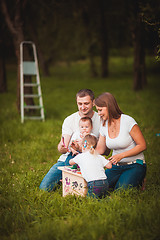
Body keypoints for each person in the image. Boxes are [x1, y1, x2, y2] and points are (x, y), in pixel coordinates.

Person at [39, 89, 101, 192]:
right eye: (79, 104)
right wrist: (63, 147)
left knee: (91, 189)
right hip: (69, 159)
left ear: (93, 102)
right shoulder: (70, 120)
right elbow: (63, 146)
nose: (83, 107)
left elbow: (103, 149)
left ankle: (69, 180)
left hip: (91, 159)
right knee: (44, 188)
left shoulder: (100, 119)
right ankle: (63, 179)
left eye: (86, 103)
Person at [95, 92, 147, 190]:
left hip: (135, 164)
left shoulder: (127, 121)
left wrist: (121, 155)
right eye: (97, 110)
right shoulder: (103, 124)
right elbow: (100, 150)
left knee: (120, 191)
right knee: (100, 188)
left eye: (100, 110)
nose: (98, 113)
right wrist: (83, 150)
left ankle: (140, 179)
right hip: (115, 166)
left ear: (108, 106)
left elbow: (142, 145)